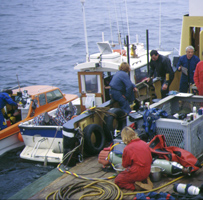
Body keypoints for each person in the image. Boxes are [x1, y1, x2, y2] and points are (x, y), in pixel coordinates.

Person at [115, 126, 152, 191]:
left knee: (118, 180)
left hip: (138, 173)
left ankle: (136, 187)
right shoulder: (144, 143)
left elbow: (125, 165)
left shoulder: (128, 148)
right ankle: (143, 181)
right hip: (147, 171)